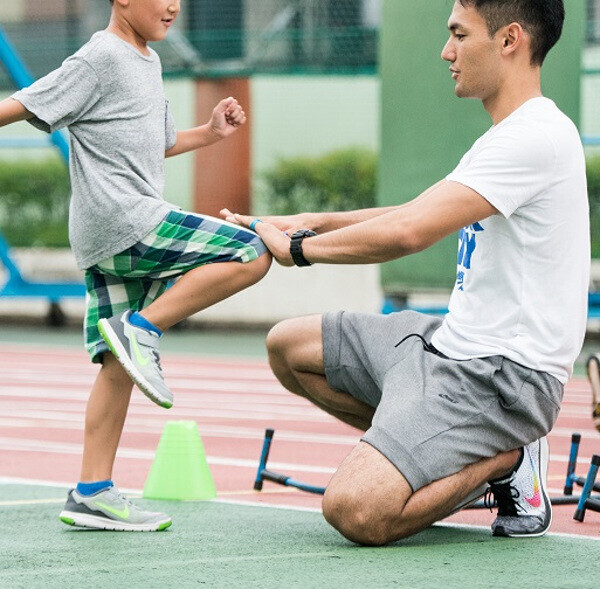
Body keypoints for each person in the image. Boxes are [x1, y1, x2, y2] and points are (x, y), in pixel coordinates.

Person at [223, 0, 590, 545]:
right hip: (444, 344)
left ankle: (505, 458)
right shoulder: (505, 136)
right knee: (288, 348)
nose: (447, 52)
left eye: (459, 35)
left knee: (355, 512)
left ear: (510, 40)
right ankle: (423, 446)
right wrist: (312, 221)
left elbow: (409, 233)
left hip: (499, 379)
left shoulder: (534, 137)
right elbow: (413, 211)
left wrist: (300, 250)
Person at [0, 0, 271, 531]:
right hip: (127, 220)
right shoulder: (99, 57)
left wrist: (211, 133)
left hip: (106, 232)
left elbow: (159, 144)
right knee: (252, 251)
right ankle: (142, 328)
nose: (174, 5)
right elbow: (20, 104)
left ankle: (92, 491)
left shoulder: (146, 59)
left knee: (116, 364)